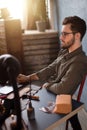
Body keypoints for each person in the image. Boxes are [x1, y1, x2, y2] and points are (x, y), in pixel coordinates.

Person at [17, 16, 87, 130]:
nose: (61, 37)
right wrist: (27, 78)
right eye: (61, 33)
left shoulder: (79, 62)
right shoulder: (64, 51)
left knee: (31, 119)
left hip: (58, 96)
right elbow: (50, 68)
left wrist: (47, 85)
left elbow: (63, 89)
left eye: (65, 34)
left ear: (77, 35)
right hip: (51, 92)